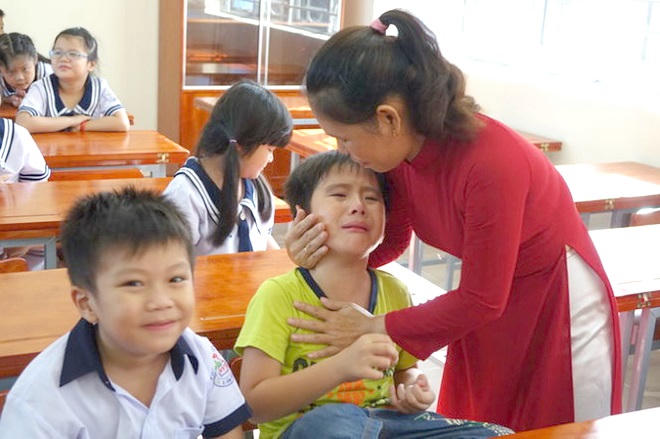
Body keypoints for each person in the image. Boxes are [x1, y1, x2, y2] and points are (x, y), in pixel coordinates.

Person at [283, 9, 622, 432]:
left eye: (345, 137)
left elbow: (482, 298)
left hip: (555, 302)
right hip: (486, 303)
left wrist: (373, 325)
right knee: (485, 420)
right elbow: (393, 240)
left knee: (558, 427)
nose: (342, 150)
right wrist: (320, 257)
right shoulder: (399, 153)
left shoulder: (491, 163)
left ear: (388, 118)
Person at [234, 151, 513, 439]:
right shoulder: (278, 295)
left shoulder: (394, 291)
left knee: (497, 433)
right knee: (331, 421)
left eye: (371, 198)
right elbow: (255, 407)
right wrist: (340, 367)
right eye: (340, 195)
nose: (358, 206)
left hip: (385, 426)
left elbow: (406, 370)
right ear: (302, 215)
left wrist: (412, 389)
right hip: (313, 431)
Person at [0, 188, 250, 438]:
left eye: (175, 279)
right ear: (87, 304)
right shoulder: (41, 400)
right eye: (133, 283)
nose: (160, 301)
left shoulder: (202, 359)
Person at [163, 79, 292, 256]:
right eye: (270, 149)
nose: (271, 159)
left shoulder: (256, 187)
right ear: (242, 145)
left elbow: (262, 239)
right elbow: (170, 262)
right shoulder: (185, 195)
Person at [15, 27, 129, 133]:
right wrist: (72, 121)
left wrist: (82, 126)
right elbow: (23, 122)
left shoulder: (99, 87)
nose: (63, 58)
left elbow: (122, 122)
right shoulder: (41, 87)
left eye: (73, 54)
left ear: (91, 64)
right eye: (57, 53)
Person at [0, 32, 53, 107]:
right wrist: (8, 99)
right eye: (11, 72)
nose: (20, 77)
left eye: (25, 69)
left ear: (35, 59)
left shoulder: (48, 74)